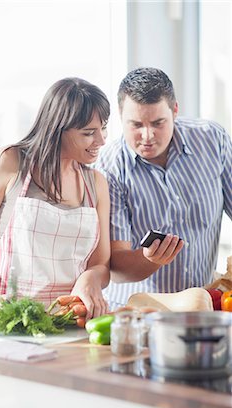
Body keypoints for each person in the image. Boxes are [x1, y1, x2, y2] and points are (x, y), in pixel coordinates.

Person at [0, 77, 111, 320]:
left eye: (103, 128)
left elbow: (101, 264)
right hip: (10, 322)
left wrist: (90, 277)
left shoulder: (96, 184)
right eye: (88, 133)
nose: (101, 140)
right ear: (58, 129)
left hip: (71, 323)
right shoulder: (11, 162)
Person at [96, 67, 232, 311]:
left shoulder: (213, 140)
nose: (147, 136)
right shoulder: (109, 167)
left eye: (158, 123)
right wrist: (149, 259)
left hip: (203, 304)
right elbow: (116, 266)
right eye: (136, 124)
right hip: (137, 312)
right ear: (120, 115)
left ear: (175, 110)